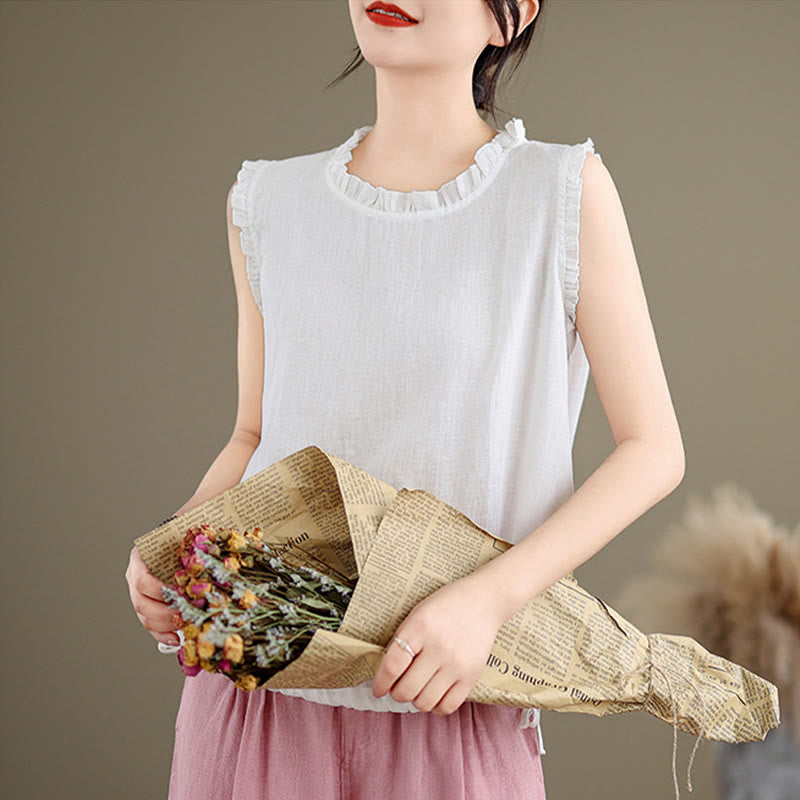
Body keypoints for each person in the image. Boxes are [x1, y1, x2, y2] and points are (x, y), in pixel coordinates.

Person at [125, 1, 686, 797]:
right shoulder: (268, 202)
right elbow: (253, 433)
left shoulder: (557, 193)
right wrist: (174, 545)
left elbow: (654, 451)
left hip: (449, 693)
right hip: (258, 687)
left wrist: (486, 604)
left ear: (511, 17)